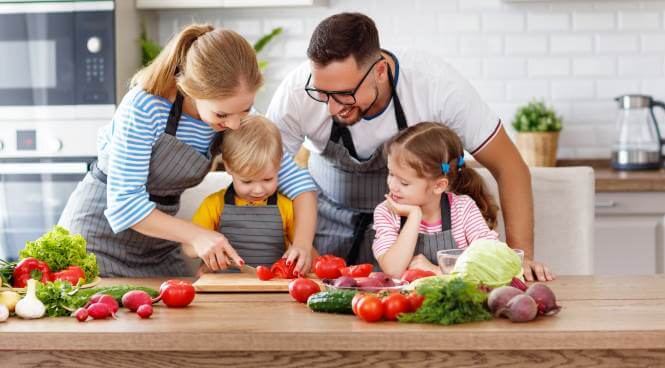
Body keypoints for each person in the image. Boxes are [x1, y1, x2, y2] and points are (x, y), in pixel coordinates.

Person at [266, 12, 554, 281]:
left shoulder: (436, 86)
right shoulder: (295, 93)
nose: (330, 108)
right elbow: (268, 177)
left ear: (379, 71)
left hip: (412, 243)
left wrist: (521, 258)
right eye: (321, 93)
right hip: (327, 229)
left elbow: (510, 167)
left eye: (344, 95)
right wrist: (305, 250)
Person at [59, 24, 317, 277]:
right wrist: (198, 235)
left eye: (246, 109)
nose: (236, 124)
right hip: (96, 239)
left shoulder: (234, 115)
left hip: (159, 245)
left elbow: (299, 183)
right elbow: (125, 205)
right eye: (222, 114)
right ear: (190, 90)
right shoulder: (145, 107)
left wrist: (302, 244)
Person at [186, 115, 313, 274]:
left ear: (279, 165)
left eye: (267, 179)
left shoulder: (286, 206)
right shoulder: (213, 204)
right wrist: (205, 250)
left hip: (273, 286)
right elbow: (188, 247)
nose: (259, 190)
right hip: (225, 286)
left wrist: (311, 262)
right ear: (228, 167)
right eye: (247, 182)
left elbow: (303, 250)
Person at [373, 122, 499, 277]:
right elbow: (393, 269)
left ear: (439, 186)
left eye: (404, 182)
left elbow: (493, 262)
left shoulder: (463, 209)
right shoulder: (387, 212)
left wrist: (436, 271)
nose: (392, 186)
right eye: (391, 174)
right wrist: (414, 216)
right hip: (403, 300)